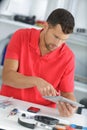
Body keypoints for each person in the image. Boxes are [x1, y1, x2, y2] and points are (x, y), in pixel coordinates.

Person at [0, 8, 77, 117]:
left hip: (41, 114)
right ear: (45, 26)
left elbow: (67, 93)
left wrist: (70, 105)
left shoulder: (68, 57)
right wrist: (36, 81)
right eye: (55, 37)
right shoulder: (21, 36)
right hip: (9, 106)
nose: (58, 44)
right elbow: (7, 77)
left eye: (63, 40)